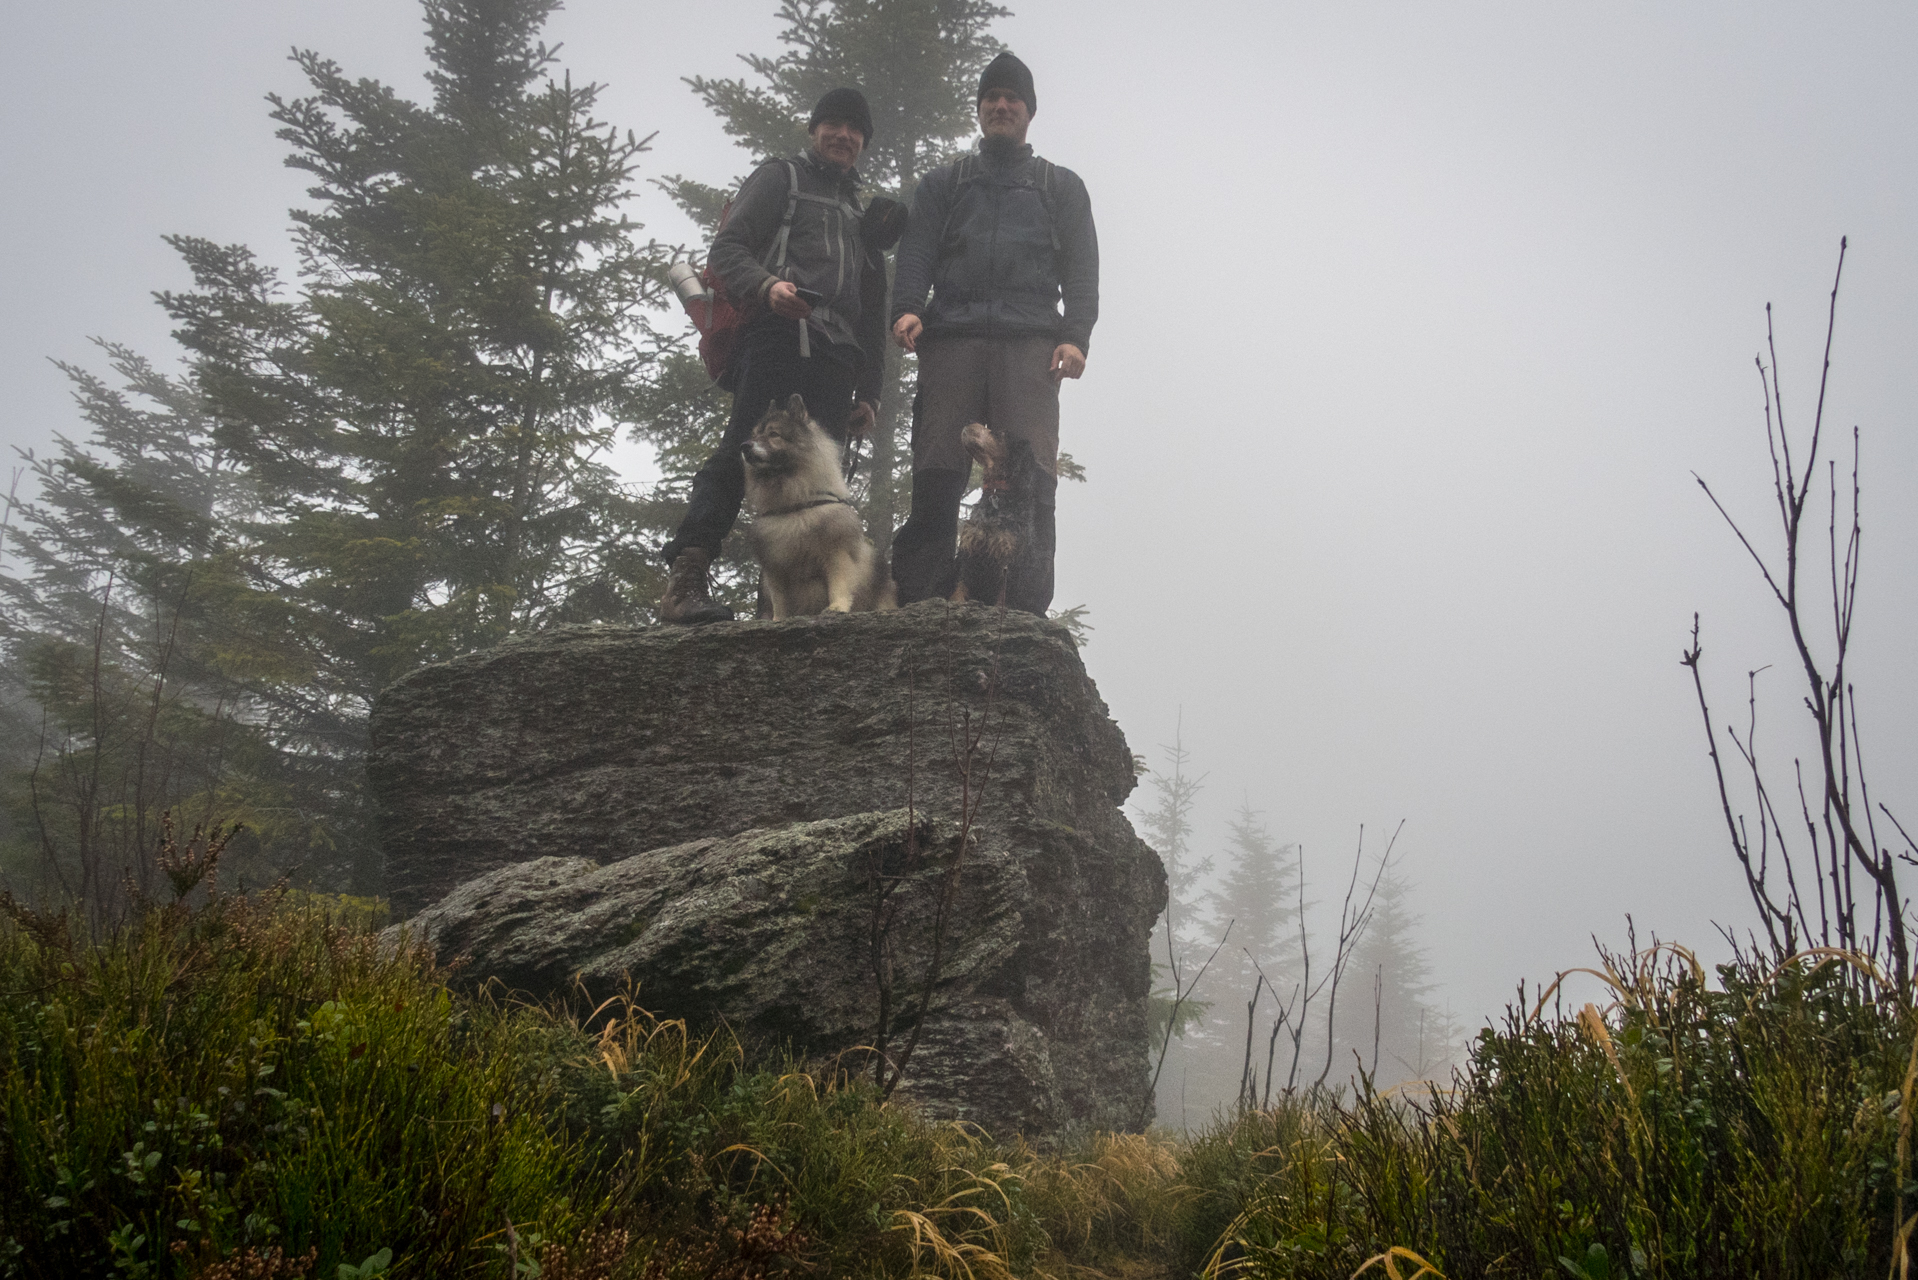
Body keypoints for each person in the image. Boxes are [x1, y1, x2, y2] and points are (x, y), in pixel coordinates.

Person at [658, 88, 894, 624]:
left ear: (863, 144)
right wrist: (767, 288)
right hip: (776, 338)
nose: (844, 136)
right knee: (738, 456)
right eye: (832, 125)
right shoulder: (780, 178)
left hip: (837, 358)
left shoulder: (859, 214)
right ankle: (686, 579)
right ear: (813, 131)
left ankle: (782, 612)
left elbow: (871, 308)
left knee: (821, 490)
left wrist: (871, 389)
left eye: (855, 131)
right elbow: (727, 249)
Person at [887, 51, 1098, 615]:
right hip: (951, 337)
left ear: (1029, 112)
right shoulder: (944, 183)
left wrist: (1075, 336)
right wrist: (907, 307)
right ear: (979, 110)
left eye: (1013, 99)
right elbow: (917, 252)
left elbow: (1082, 270)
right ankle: (923, 597)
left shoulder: (1061, 187)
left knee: (1032, 477)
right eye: (992, 99)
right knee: (936, 468)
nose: (1002, 106)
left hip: (1031, 343)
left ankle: (1024, 605)